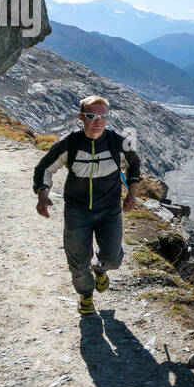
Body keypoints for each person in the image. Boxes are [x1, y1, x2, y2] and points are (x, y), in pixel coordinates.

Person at [33, 96, 142, 314]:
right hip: (77, 211)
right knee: (78, 259)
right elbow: (44, 168)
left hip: (109, 210)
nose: (98, 121)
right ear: (82, 117)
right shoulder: (69, 143)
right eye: (92, 116)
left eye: (103, 117)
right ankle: (86, 295)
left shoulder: (117, 142)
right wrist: (42, 194)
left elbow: (134, 164)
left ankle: (101, 270)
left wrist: (132, 192)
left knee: (113, 257)